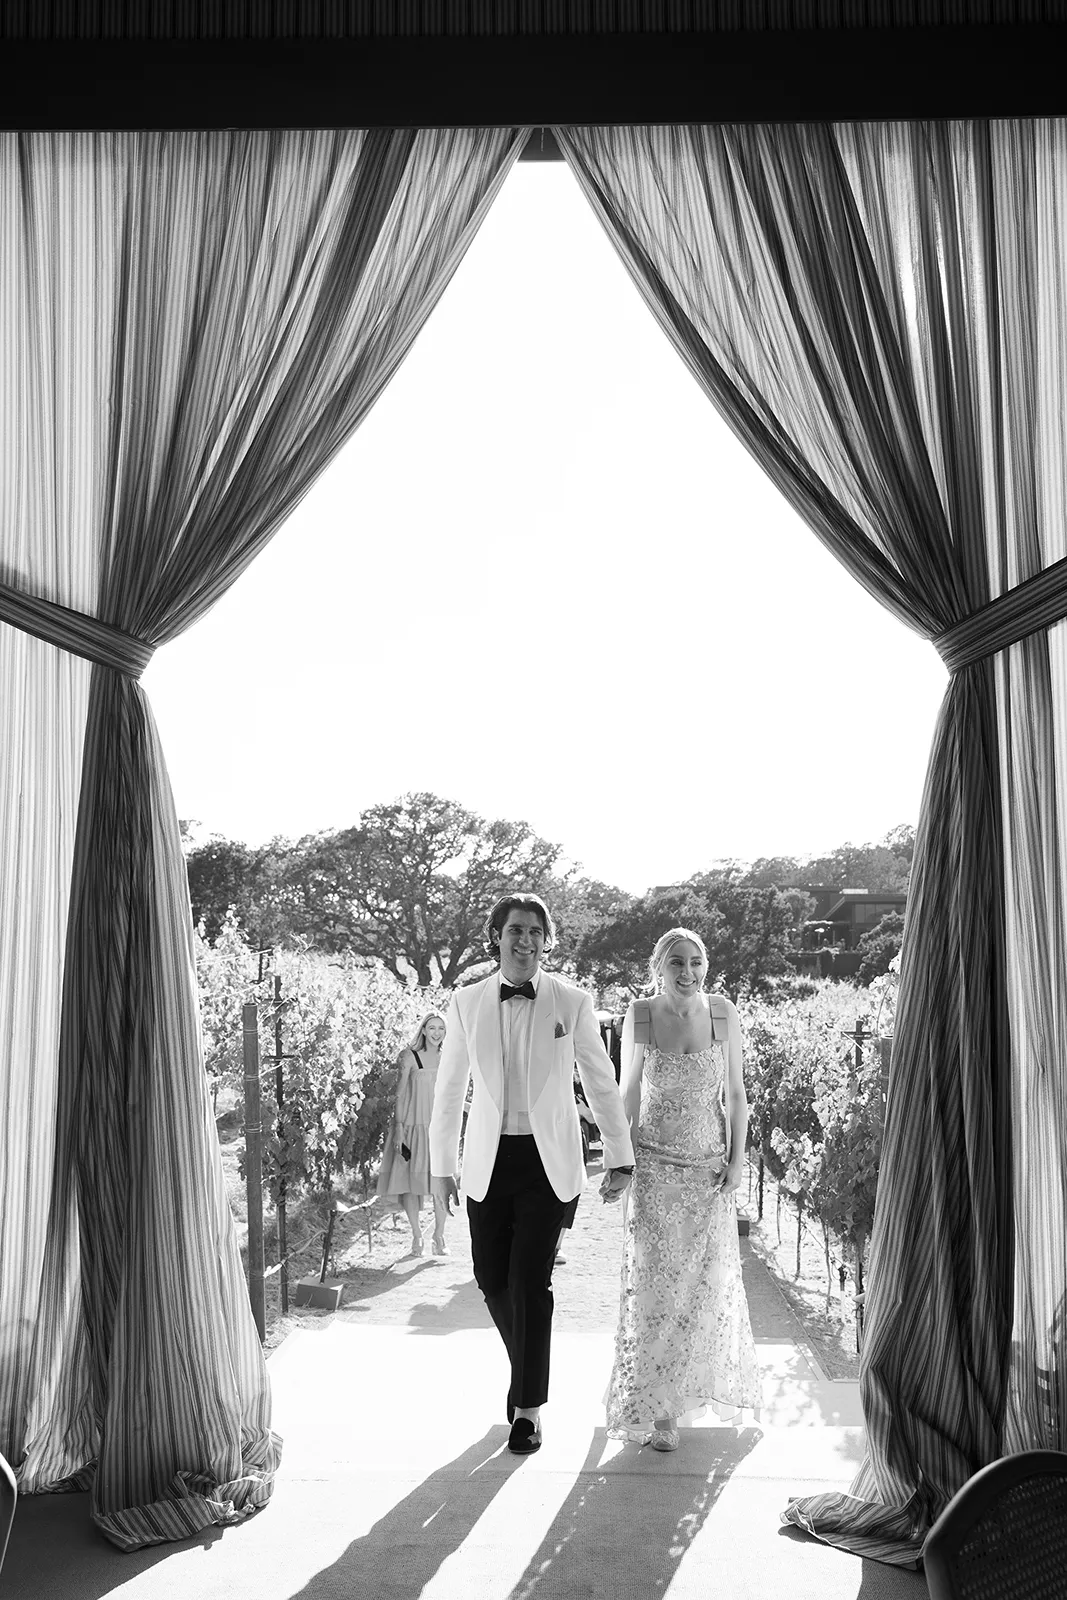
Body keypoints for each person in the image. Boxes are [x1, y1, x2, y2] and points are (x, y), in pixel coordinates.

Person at [430, 892, 635, 1454]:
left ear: (547, 940)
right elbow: (449, 1089)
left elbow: (600, 1078)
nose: (525, 941)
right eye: (515, 930)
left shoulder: (572, 1001)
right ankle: (527, 1369)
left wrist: (621, 1154)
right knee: (491, 1280)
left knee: (529, 1283)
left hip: (548, 1164)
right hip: (487, 1163)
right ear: (496, 936)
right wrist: (441, 1166)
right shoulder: (466, 1001)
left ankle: (527, 1409)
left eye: (535, 932)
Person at [604, 928, 762, 1451]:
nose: (688, 972)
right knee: (655, 1291)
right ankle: (661, 1413)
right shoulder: (640, 1014)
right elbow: (628, 1094)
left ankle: (693, 1391)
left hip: (708, 1172)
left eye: (696, 962)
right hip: (653, 1169)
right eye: (677, 962)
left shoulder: (724, 1013)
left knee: (702, 1291)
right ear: (659, 967)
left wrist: (738, 1161)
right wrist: (620, 1162)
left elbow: (737, 1095)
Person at [376, 1012, 451, 1258]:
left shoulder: (449, 1058)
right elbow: (399, 1095)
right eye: (432, 1028)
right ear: (423, 1030)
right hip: (412, 1126)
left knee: (441, 1183)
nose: (436, 1033)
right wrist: (398, 1129)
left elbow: (452, 1094)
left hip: (439, 1129)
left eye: (441, 1028)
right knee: (410, 1185)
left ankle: (439, 1236)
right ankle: (417, 1236)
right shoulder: (410, 1056)